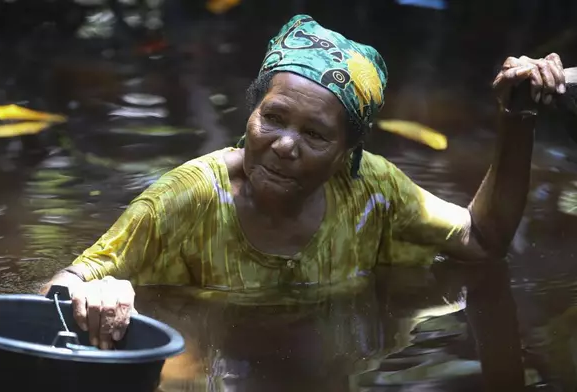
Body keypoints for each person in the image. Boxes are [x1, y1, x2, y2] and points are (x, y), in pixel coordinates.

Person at [41, 14, 566, 349]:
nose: (284, 144)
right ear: (251, 116)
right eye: (272, 118)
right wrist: (92, 296)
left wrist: (516, 121)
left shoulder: (371, 193)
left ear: (345, 156)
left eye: (314, 134)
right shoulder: (191, 197)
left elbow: (483, 240)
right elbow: (60, 286)